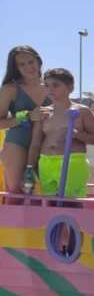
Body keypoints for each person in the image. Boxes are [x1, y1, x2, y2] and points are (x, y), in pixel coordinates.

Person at [28, 68, 94, 199]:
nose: (50, 89)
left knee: (71, 203)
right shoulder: (43, 112)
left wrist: (77, 134)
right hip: (46, 163)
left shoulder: (82, 111)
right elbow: (35, 143)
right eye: (46, 85)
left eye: (55, 85)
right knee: (49, 203)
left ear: (70, 87)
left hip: (73, 162)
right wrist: (29, 167)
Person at [0, 45, 50, 194]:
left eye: (30, 61)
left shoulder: (53, 85)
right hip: (18, 142)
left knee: (53, 190)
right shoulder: (10, 89)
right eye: (22, 64)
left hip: (48, 142)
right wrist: (26, 116)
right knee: (15, 190)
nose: (28, 67)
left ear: (38, 61)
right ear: (16, 68)